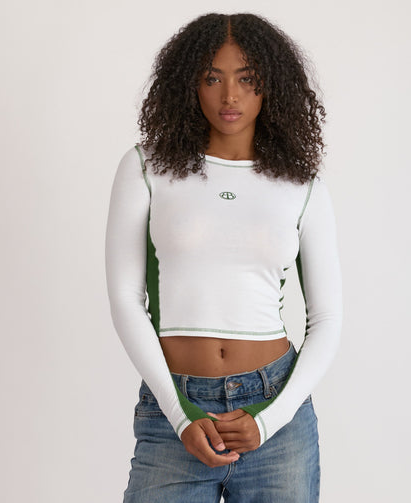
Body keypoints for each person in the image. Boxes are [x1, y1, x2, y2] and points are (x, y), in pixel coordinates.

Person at [105, 12, 343, 503]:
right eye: (212, 78)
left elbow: (327, 318)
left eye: (246, 78)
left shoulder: (301, 186)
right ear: (189, 83)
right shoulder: (147, 168)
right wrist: (180, 415)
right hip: (176, 406)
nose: (229, 96)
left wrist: (269, 420)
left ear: (270, 85)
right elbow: (126, 298)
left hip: (276, 412)